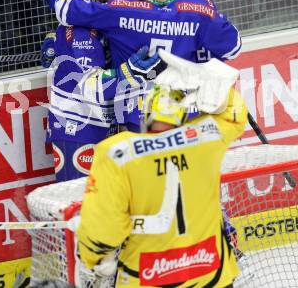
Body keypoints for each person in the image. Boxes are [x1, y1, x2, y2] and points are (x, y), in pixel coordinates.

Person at [76, 51, 248, 287]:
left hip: (147, 278)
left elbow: (103, 225)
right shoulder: (206, 136)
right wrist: (213, 86)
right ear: (184, 113)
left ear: (146, 113)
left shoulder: (116, 151)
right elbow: (235, 114)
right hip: (211, 275)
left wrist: (95, 258)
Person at [44, 0, 241, 132]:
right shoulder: (198, 12)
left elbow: (69, 9)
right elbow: (233, 48)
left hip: (135, 111)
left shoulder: (122, 10)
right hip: (183, 107)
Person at [45, 0, 163, 181]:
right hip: (78, 127)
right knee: (78, 206)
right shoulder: (80, 33)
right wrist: (127, 74)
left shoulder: (103, 13)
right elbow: (89, 87)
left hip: (104, 124)